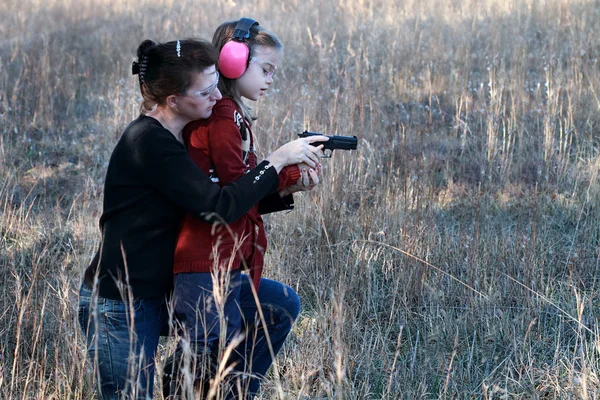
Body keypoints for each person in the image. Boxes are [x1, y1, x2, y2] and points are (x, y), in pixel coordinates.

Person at [77, 37, 326, 400]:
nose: (217, 96)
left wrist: (287, 190)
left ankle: (220, 392)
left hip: (167, 291)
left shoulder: (188, 136)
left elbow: (215, 207)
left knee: (278, 306)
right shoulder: (149, 143)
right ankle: (185, 378)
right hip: (122, 304)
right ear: (173, 100)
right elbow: (218, 207)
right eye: (206, 91)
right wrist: (277, 162)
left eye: (217, 84)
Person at [169, 19, 320, 399]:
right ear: (234, 62)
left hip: (226, 261)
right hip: (207, 262)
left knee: (279, 308)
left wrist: (289, 182)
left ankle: (233, 393)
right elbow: (237, 190)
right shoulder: (222, 117)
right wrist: (280, 164)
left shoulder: (231, 114)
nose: (270, 79)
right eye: (265, 69)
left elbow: (241, 188)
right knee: (203, 359)